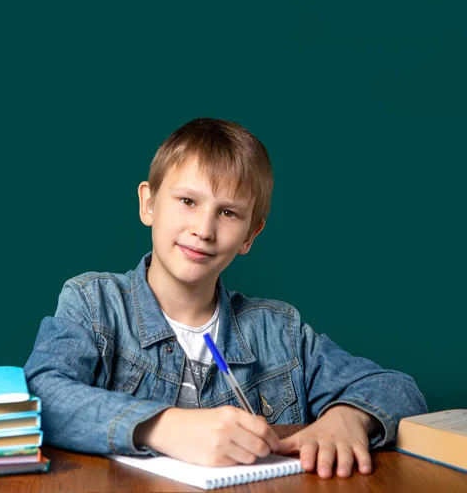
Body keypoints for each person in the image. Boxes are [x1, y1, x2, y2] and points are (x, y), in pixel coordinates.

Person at [24, 117, 427, 479]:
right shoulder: (94, 303)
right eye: (187, 201)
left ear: (251, 235)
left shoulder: (278, 330)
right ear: (148, 203)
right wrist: (163, 426)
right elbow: (44, 393)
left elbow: (397, 388)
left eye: (229, 213)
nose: (204, 228)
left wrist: (350, 418)